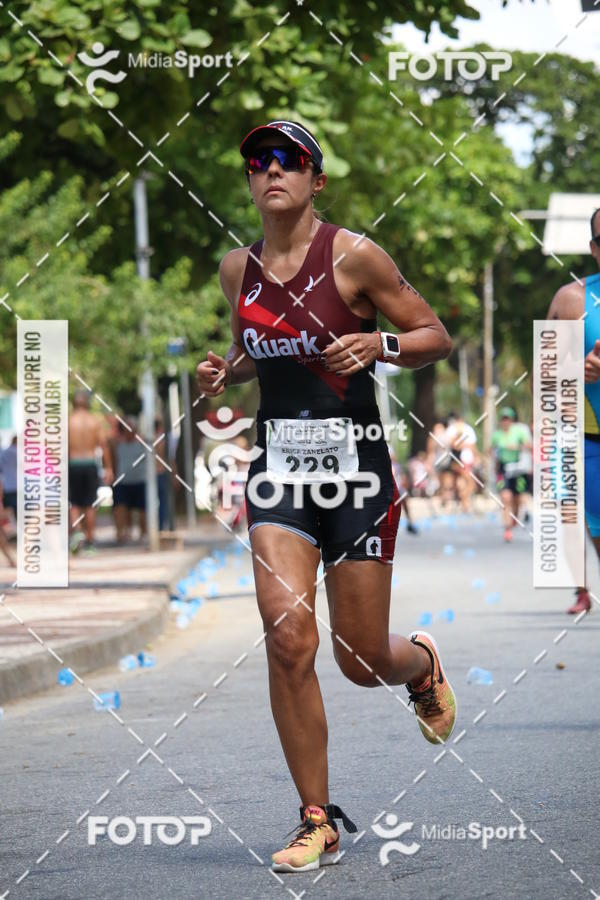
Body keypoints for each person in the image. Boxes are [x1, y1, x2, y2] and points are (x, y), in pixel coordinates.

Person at [196, 119, 456, 872]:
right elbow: (260, 354)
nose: (271, 170)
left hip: (358, 476)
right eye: (258, 161)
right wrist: (227, 375)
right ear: (249, 179)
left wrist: (381, 345)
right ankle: (318, 819)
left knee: (359, 658)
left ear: (316, 179)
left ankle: (420, 666)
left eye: (289, 160)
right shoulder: (234, 269)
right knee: (287, 637)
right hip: (278, 473)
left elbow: (435, 333)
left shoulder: (353, 256)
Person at [546, 206, 600, 614]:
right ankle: (582, 585)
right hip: (585, 436)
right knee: (572, 515)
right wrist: (576, 374)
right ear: (593, 249)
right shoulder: (571, 301)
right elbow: (547, 379)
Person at [68, 391, 113, 552]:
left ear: (73, 404)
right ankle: (90, 541)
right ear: (86, 404)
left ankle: (77, 531)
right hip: (89, 463)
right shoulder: (94, 422)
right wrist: (108, 467)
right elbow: (103, 445)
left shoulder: (68, 422)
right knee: (90, 503)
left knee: (74, 503)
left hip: (73, 464)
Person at [491, 407, 532, 542]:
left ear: (512, 420)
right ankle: (507, 528)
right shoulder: (497, 435)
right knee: (505, 497)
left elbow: (529, 446)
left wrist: (517, 447)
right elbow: (490, 450)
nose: (505, 422)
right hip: (503, 468)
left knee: (518, 499)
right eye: (503, 419)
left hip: (518, 468)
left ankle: (514, 516)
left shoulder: (519, 431)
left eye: (507, 419)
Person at [109, 417, 147, 543]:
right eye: (126, 428)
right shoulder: (117, 443)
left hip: (139, 480)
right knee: (120, 508)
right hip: (122, 481)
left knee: (143, 509)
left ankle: (144, 532)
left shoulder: (142, 442)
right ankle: (121, 533)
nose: (129, 431)